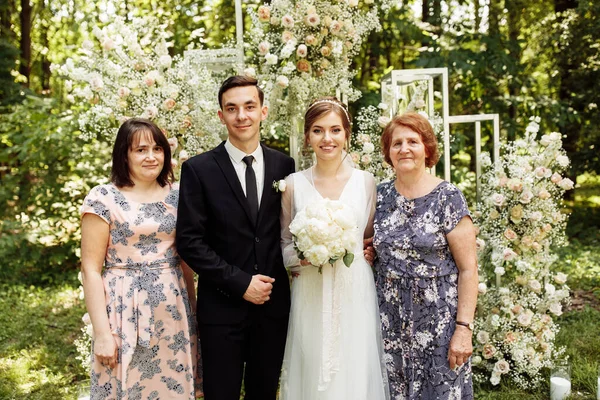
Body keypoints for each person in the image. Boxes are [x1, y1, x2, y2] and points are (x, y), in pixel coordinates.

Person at [175, 76, 295, 400]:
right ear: (221, 116)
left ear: (263, 111)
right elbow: (189, 241)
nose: (241, 115)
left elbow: (290, 231)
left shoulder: (285, 166)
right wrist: (241, 283)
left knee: (264, 393)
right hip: (222, 309)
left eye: (249, 107)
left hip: (273, 308)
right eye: (232, 108)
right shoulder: (199, 170)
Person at [80, 118, 201, 399]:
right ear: (124, 154)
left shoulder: (179, 195)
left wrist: (192, 312)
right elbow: (90, 269)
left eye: (157, 149)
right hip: (122, 310)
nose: (151, 157)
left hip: (172, 311)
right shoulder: (103, 198)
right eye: (140, 150)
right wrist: (102, 333)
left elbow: (185, 261)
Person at [279, 97, 389, 400]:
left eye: (335, 130)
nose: (327, 138)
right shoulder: (293, 185)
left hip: (354, 289)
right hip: (311, 288)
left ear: (346, 135)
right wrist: (301, 259)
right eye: (318, 130)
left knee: (354, 364)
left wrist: (368, 252)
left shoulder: (366, 183)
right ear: (307, 137)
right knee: (312, 363)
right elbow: (285, 241)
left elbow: (369, 238)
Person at [373, 112, 478, 399]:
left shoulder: (448, 197)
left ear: (427, 149)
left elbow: (469, 269)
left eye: (413, 141)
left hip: (439, 324)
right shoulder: (379, 196)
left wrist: (463, 329)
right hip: (389, 322)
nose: (404, 148)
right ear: (388, 153)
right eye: (396, 143)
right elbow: (372, 244)